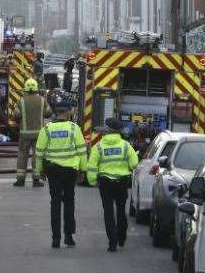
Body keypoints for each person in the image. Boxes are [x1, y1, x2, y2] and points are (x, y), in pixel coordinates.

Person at [35, 98, 87, 249]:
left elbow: (39, 152)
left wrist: (40, 170)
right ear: (70, 112)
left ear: (56, 112)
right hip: (70, 171)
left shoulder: (46, 129)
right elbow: (82, 151)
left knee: (55, 203)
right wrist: (83, 170)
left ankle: (55, 239)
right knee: (69, 202)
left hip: (53, 170)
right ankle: (69, 236)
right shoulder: (74, 128)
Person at [87, 117, 138, 252]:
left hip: (105, 183)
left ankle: (112, 243)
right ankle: (122, 237)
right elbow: (134, 164)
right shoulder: (126, 146)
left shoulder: (98, 147)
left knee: (108, 212)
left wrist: (92, 181)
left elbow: (92, 166)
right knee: (121, 210)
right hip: (122, 182)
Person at [12, 78, 52, 187]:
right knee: (37, 156)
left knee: (22, 155)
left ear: (25, 88)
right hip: (39, 134)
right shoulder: (42, 100)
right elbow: (49, 113)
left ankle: (20, 179)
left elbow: (16, 115)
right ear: (36, 88)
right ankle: (36, 179)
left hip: (24, 134)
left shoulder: (21, 101)